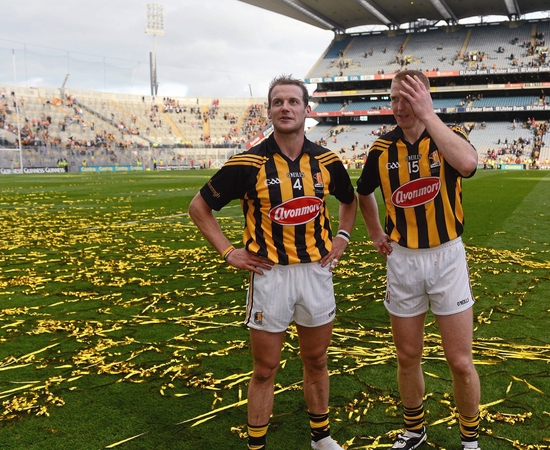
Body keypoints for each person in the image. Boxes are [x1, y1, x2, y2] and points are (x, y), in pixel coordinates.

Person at [189, 74, 357, 450]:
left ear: (306, 110)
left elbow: (350, 200)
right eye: (278, 102)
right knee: (265, 369)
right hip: (270, 276)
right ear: (268, 111)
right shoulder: (248, 163)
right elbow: (199, 207)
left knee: (315, 360)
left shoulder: (327, 161)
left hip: (316, 272)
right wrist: (229, 251)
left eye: (293, 101)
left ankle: (321, 437)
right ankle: (256, 445)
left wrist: (342, 237)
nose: (285, 108)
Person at [356, 70, 482, 450]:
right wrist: (376, 232)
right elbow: (364, 192)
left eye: (408, 98)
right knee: (407, 355)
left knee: (460, 362)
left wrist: (429, 117)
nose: (399, 106)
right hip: (404, 260)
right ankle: (414, 431)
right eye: (394, 98)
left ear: (425, 99)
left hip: (446, 258)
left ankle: (470, 441)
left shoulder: (447, 137)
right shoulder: (381, 149)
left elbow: (468, 165)